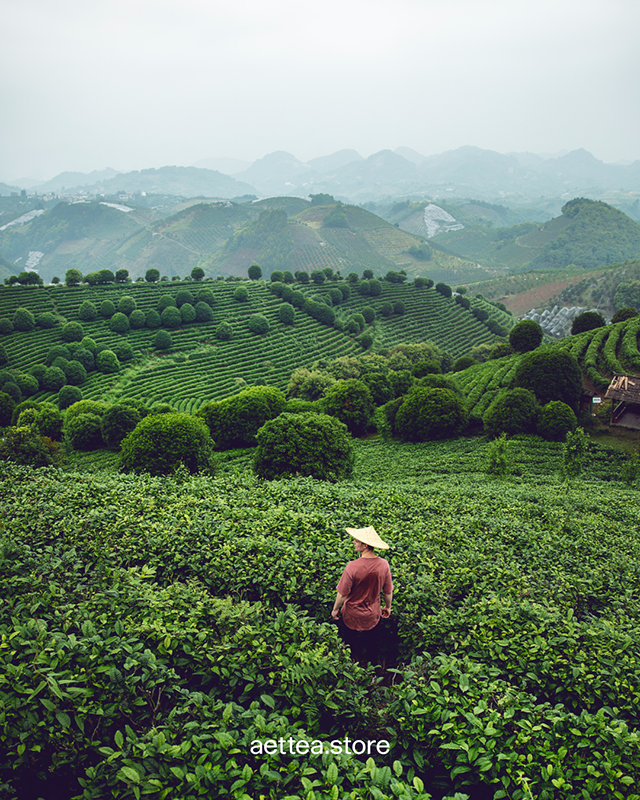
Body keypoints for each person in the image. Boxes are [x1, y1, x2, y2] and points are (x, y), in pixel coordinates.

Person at [331, 526, 393, 664]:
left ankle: (351, 667)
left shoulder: (352, 566)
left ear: (364, 545)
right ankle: (373, 671)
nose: (353, 542)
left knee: (349, 645)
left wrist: (335, 609)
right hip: (372, 614)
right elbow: (388, 591)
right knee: (372, 645)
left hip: (351, 613)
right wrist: (388, 607)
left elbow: (342, 594)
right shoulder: (384, 565)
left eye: (356, 540)